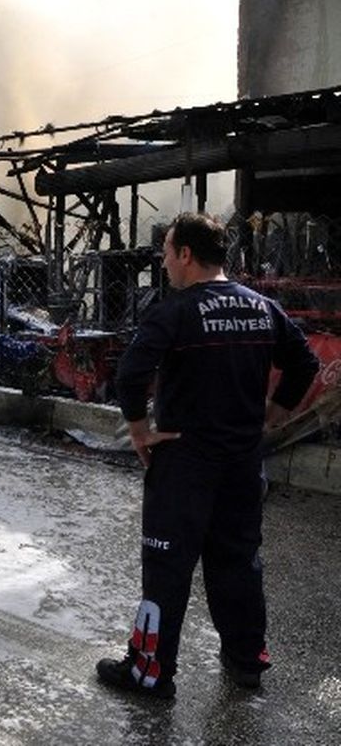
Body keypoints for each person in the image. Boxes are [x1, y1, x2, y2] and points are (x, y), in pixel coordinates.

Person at [96, 212, 319, 700]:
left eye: (167, 253)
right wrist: (276, 414)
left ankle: (149, 673)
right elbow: (305, 362)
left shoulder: (175, 311)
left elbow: (132, 373)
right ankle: (247, 661)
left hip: (184, 464)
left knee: (167, 569)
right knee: (238, 561)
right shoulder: (262, 309)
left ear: (186, 255)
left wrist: (139, 431)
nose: (164, 262)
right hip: (242, 464)